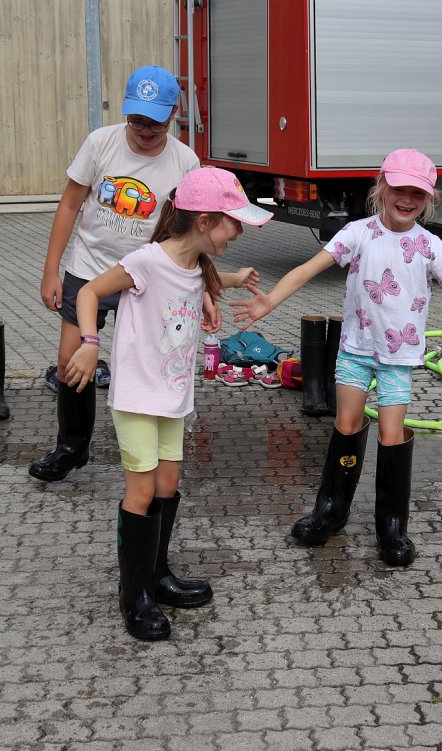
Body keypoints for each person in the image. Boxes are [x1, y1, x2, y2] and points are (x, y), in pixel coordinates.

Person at [232, 148, 442, 567]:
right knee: (347, 425)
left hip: (398, 357)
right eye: (399, 189)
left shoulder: (429, 245)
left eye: (417, 195)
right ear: (382, 187)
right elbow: (306, 270)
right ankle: (331, 509)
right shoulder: (357, 233)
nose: (407, 200)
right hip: (355, 350)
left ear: (429, 200)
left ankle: (392, 526)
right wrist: (269, 303)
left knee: (391, 435)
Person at [64, 166, 273, 640]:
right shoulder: (145, 260)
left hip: (173, 394)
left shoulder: (197, 264)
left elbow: (201, 281)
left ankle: (157, 575)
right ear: (203, 222)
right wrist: (91, 341)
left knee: (169, 482)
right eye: (233, 222)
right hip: (138, 394)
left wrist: (218, 294)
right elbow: (90, 292)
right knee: (139, 492)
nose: (238, 231)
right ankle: (132, 593)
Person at [30, 65, 234, 482]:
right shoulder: (99, 143)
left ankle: (158, 446)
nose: (144, 129)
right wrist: (51, 271)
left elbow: (194, 234)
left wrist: (206, 291)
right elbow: (69, 204)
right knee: (70, 358)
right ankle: (71, 446)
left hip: (152, 275)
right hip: (89, 268)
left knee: (153, 358)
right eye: (136, 119)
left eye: (154, 121)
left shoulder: (184, 161)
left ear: (173, 113)